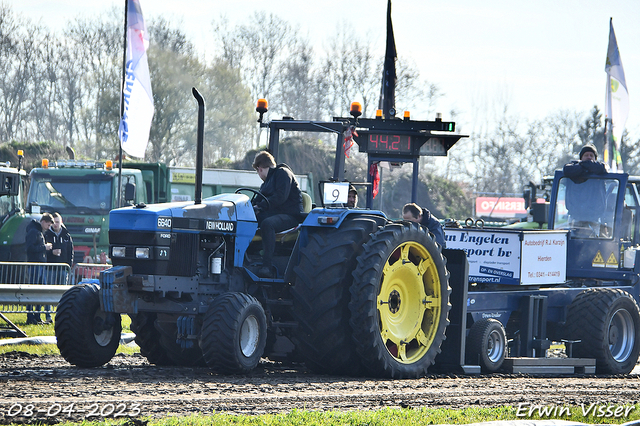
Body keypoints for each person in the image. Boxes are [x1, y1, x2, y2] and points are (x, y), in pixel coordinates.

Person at [252, 151, 304, 278]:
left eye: (258, 172)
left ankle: (267, 266)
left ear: (260, 169)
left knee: (268, 224)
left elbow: (280, 197)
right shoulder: (265, 184)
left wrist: (261, 206)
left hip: (290, 215)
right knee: (247, 220)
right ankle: (249, 257)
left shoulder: (283, 174)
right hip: (274, 213)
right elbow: (257, 200)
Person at [562, 144, 608, 235]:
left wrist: (584, 167)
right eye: (586, 155)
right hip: (576, 217)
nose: (589, 157)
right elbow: (567, 170)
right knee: (572, 240)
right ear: (581, 157)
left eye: (591, 156)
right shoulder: (572, 167)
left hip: (595, 217)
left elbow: (603, 169)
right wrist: (586, 167)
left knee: (596, 242)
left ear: (595, 158)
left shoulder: (600, 168)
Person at [24, 213, 53, 325]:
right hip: (35, 265)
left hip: (40, 265)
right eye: (48, 225)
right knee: (33, 291)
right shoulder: (33, 232)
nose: (49, 228)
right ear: (43, 222)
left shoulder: (38, 232)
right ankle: (30, 316)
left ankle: (37, 315)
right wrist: (44, 247)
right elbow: (29, 248)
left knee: (40, 291)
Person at [45, 212, 74, 285]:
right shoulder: (46, 235)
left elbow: (70, 252)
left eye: (57, 222)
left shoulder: (66, 235)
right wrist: (51, 252)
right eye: (53, 222)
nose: (55, 224)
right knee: (49, 290)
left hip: (63, 269)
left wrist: (68, 267)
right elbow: (42, 251)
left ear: (61, 222)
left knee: (63, 290)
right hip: (50, 269)